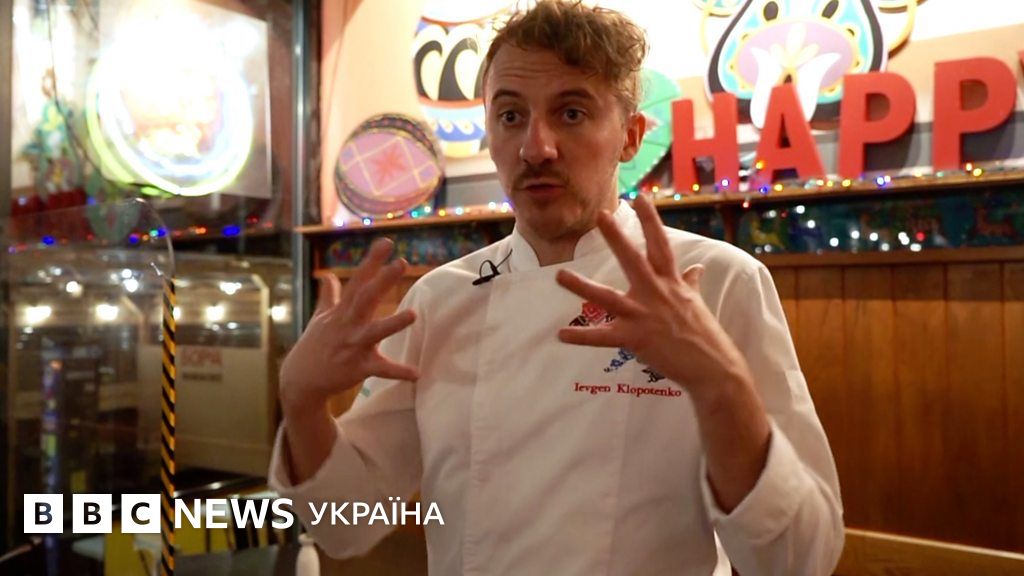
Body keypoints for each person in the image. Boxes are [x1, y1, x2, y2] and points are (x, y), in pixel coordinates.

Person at [269, 1, 844, 574]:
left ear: (630, 137)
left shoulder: (717, 281)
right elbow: (346, 524)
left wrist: (720, 387)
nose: (536, 147)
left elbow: (800, 559)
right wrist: (301, 399)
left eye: (571, 113)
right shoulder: (438, 301)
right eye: (510, 116)